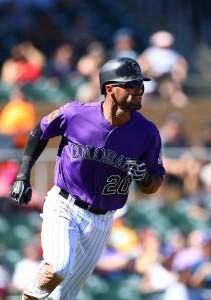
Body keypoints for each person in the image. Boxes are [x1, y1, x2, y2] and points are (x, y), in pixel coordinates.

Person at [9, 57, 165, 300]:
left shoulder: (147, 132)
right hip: (64, 204)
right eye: (132, 84)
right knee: (58, 266)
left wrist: (145, 177)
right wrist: (23, 175)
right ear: (110, 89)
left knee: (64, 295)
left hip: (102, 220)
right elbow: (39, 131)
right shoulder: (76, 113)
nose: (139, 90)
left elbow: (154, 184)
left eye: (140, 84)